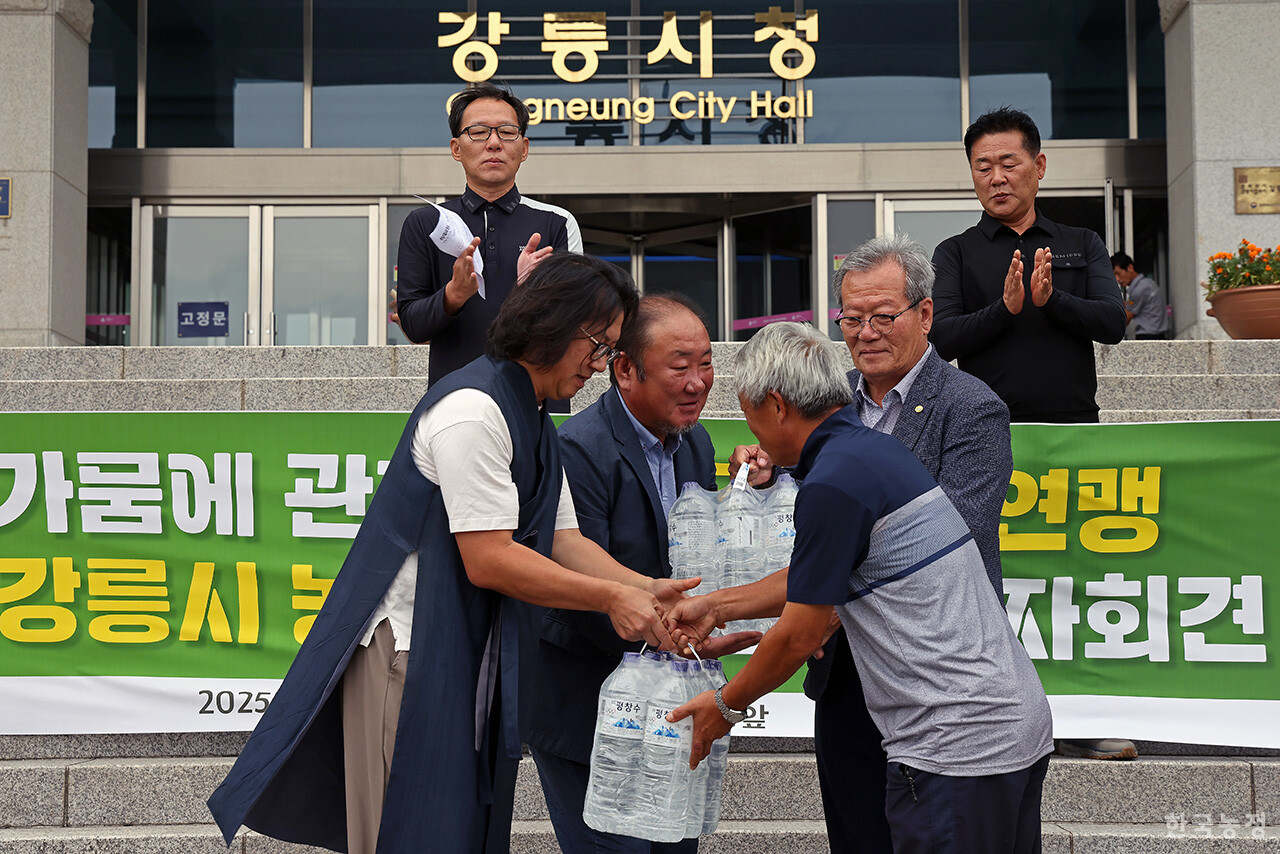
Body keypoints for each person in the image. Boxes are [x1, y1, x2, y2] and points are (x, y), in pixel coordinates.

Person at [208, 254, 695, 854]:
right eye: (597, 347)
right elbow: (488, 558)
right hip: (411, 650)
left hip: (470, 646)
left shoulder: (536, 418)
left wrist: (648, 590)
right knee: (406, 829)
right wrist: (613, 597)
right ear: (553, 326)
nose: (599, 367)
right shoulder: (474, 409)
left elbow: (566, 542)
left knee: (457, 830)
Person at [666, 321, 1054, 854]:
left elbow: (799, 635)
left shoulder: (834, 482)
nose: (750, 430)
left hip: (955, 747)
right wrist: (715, 604)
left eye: (749, 412)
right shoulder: (869, 452)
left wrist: (725, 706)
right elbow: (815, 575)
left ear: (776, 405)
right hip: (1003, 725)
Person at [732, 234, 1013, 854]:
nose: (865, 332)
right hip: (845, 674)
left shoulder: (971, 408)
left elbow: (943, 539)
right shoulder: (826, 405)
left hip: (932, 680)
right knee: (857, 834)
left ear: (926, 314)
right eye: (850, 318)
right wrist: (770, 468)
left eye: (883, 316)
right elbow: (817, 510)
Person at [525, 294, 759, 854]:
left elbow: (686, 554)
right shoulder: (577, 448)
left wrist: (749, 492)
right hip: (590, 701)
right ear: (624, 369)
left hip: (671, 705)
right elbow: (579, 576)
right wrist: (676, 633)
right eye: (680, 366)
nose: (699, 382)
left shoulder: (696, 442)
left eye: (706, 363)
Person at [930, 106, 1126, 424]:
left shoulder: (1083, 242)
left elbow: (1113, 324)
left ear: (1039, 166)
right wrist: (1004, 310)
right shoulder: (955, 252)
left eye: (1009, 164)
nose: (996, 179)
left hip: (1073, 425)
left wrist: (1052, 301)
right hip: (985, 427)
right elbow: (939, 338)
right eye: (983, 168)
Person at [395, 82, 581, 386]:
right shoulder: (426, 223)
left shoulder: (557, 223)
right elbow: (413, 326)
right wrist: (453, 295)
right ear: (456, 148)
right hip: (453, 401)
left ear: (524, 148)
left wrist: (531, 294)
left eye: (507, 132)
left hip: (539, 404)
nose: (494, 143)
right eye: (479, 132)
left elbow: (573, 328)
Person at [1111, 252, 1170, 340]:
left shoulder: (1139, 290)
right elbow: (1138, 306)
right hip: (1159, 336)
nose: (1117, 279)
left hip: (1148, 338)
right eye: (1114, 275)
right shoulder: (1148, 283)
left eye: (1118, 273)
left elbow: (1125, 320)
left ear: (1130, 268)